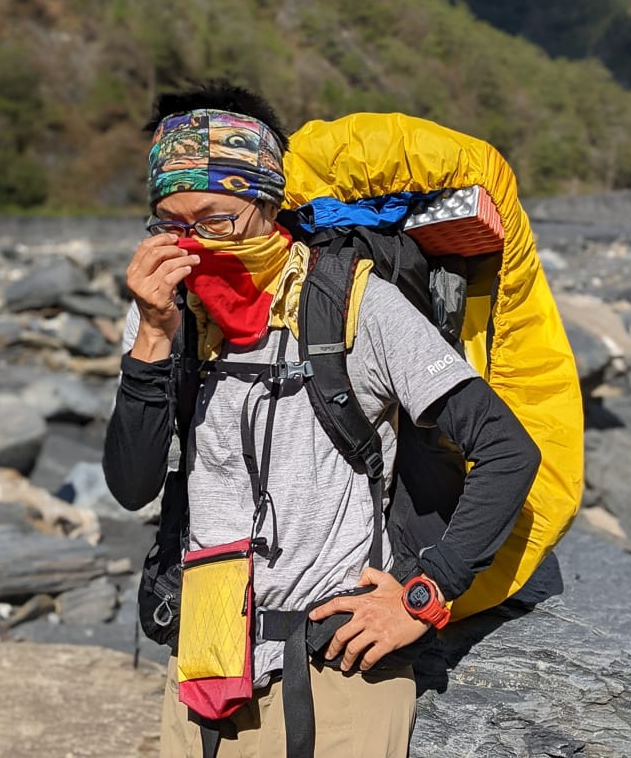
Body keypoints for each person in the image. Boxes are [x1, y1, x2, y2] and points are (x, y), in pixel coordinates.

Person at [103, 79, 541, 758]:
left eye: (216, 218)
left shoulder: (358, 308)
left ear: (266, 201)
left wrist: (423, 596)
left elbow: (507, 450)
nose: (193, 244)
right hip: (205, 656)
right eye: (170, 222)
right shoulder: (166, 309)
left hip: (338, 669)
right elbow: (132, 485)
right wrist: (153, 340)